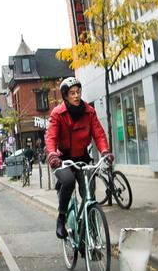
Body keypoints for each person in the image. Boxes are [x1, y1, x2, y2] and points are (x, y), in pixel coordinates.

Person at [45, 76, 112, 239]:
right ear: (66, 96)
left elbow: (99, 134)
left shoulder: (89, 111)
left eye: (78, 92)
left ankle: (91, 235)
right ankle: (61, 219)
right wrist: (52, 153)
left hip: (82, 157)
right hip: (62, 158)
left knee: (89, 194)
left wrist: (105, 151)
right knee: (68, 181)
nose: (76, 96)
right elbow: (51, 136)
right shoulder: (58, 113)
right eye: (72, 93)